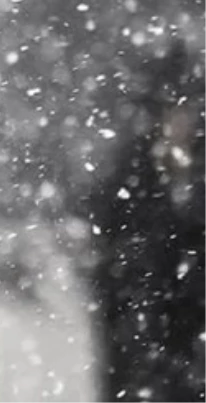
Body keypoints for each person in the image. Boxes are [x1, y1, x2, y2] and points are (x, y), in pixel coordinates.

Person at [91, 40, 206, 401]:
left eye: (190, 109)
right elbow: (113, 280)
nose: (180, 121)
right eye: (172, 109)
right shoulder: (130, 179)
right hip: (144, 357)